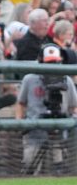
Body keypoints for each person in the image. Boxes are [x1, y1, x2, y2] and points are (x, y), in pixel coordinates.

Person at [16, 45, 77, 173]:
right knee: (30, 167)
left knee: (59, 168)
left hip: (58, 132)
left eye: (55, 62)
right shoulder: (30, 79)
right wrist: (19, 123)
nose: (52, 66)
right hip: (34, 131)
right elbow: (21, 103)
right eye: (49, 63)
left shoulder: (67, 80)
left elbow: (74, 106)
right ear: (41, 62)